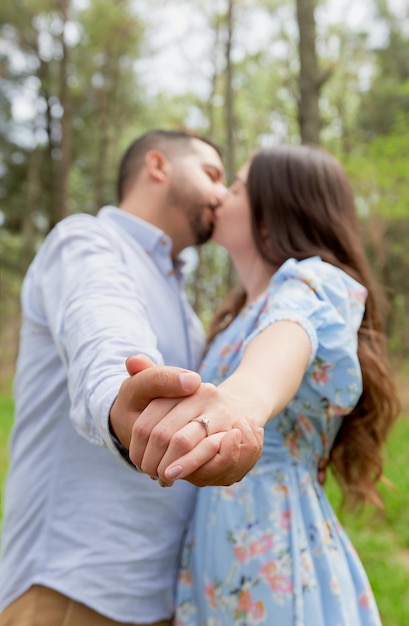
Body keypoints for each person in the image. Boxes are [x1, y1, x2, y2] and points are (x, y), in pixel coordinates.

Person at [126, 145, 400, 625]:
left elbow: (290, 333)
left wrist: (242, 399)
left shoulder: (314, 283)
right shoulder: (231, 318)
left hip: (273, 548)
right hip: (215, 552)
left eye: (235, 188)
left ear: (272, 215)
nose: (219, 197)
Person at [0, 129, 264, 626]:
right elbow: (102, 331)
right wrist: (123, 400)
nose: (220, 194)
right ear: (158, 166)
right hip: (73, 590)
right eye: (211, 174)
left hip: (161, 599)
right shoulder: (86, 240)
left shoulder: (183, 308)